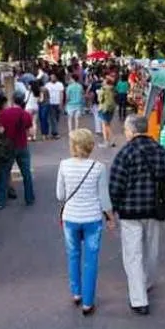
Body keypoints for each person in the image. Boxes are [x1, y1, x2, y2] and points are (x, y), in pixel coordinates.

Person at [110, 115, 165, 315]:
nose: (125, 133)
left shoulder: (125, 153)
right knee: (151, 249)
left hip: (130, 212)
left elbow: (115, 185)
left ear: (131, 130)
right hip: (155, 210)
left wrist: (115, 207)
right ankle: (147, 281)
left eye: (126, 130)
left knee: (133, 254)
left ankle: (139, 300)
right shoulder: (161, 152)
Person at [57, 129, 115, 316]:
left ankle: (76, 292)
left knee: (73, 254)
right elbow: (104, 198)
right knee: (91, 260)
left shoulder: (64, 165)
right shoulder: (98, 167)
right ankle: (88, 302)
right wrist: (110, 217)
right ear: (90, 146)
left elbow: (61, 195)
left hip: (71, 217)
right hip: (92, 218)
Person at [0, 94, 35, 208]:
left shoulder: (4, 113)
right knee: (26, 173)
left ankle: (0, 201)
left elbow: (1, 130)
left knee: (4, 174)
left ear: (12, 100)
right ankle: (29, 198)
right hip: (22, 146)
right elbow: (30, 132)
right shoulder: (26, 115)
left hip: (9, 147)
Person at [98, 78, 117, 147]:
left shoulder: (103, 89)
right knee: (108, 124)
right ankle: (109, 141)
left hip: (104, 108)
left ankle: (109, 140)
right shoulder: (113, 89)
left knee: (105, 125)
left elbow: (100, 99)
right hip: (111, 108)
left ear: (106, 82)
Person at [45, 73, 64, 139]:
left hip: (58, 103)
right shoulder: (47, 85)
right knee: (53, 118)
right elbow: (46, 94)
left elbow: (61, 94)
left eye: (54, 77)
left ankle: (54, 131)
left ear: (56, 78)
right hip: (50, 103)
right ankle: (56, 133)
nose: (52, 78)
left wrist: (61, 103)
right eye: (51, 77)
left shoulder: (60, 84)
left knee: (57, 118)